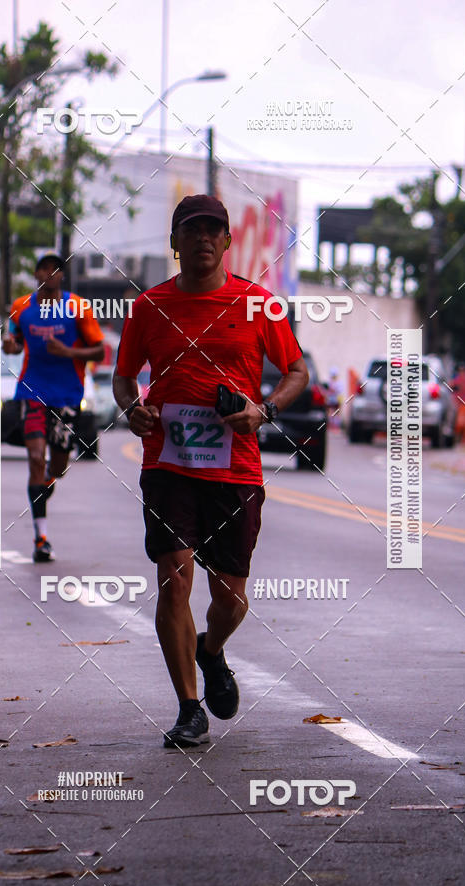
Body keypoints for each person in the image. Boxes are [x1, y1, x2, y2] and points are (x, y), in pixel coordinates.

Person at [113, 194, 309, 749]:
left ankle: (212, 648)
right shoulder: (148, 307)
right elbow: (124, 378)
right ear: (175, 244)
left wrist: (263, 410)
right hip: (167, 462)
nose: (202, 238)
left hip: (236, 468)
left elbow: (296, 370)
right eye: (190, 230)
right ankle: (188, 707)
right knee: (173, 578)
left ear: (227, 241)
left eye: (212, 230)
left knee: (230, 596)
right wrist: (133, 410)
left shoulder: (258, 304)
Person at [2, 252, 105, 561]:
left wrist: (68, 352)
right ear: (36, 274)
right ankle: (40, 539)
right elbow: (15, 340)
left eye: (55, 268)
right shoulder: (21, 307)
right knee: (35, 457)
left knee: (57, 467)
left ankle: (45, 481)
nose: (49, 273)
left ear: (62, 275)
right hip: (32, 392)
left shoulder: (78, 307)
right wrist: (11, 345)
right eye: (43, 268)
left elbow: (100, 351)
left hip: (68, 397)